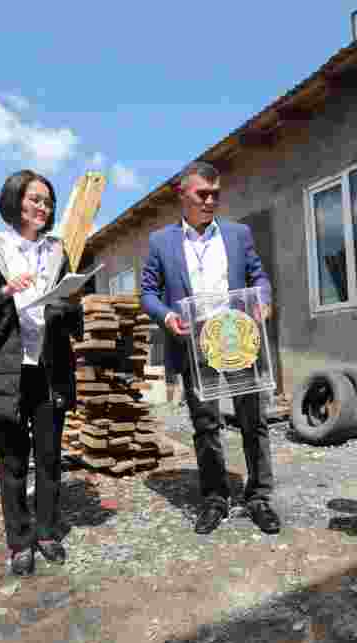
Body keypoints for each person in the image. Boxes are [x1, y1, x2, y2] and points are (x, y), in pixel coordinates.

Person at [140, 161, 280, 536]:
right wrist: (168, 317)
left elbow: (258, 277)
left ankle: (259, 497)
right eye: (202, 194)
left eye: (215, 195)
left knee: (255, 421)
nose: (210, 200)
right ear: (182, 194)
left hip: (237, 339)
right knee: (206, 425)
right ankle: (215, 498)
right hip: (194, 346)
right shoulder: (160, 242)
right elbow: (148, 294)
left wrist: (263, 299)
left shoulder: (239, 235)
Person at [0, 169, 84, 576]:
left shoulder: (57, 251)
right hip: (8, 370)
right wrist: (6, 292)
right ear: (15, 202)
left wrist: (64, 304)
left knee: (48, 458)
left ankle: (46, 532)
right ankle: (19, 541)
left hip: (48, 369)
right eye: (35, 199)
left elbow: (72, 307)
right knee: (13, 462)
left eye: (47, 201)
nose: (43, 207)